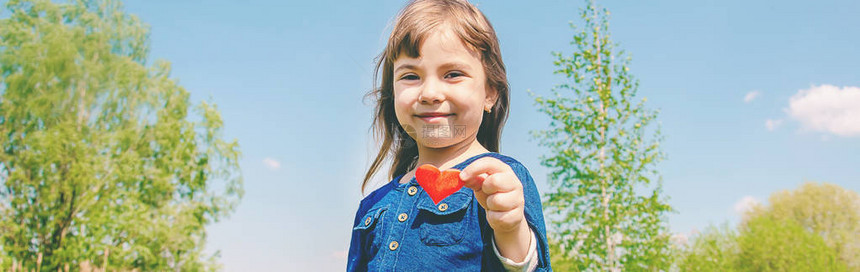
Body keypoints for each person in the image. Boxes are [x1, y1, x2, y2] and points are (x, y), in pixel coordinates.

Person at [347, 0, 551, 271]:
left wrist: (511, 230)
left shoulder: (498, 180)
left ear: (489, 92)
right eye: (410, 76)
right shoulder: (373, 206)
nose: (430, 93)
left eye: (453, 74)